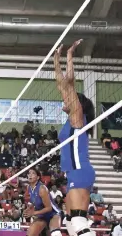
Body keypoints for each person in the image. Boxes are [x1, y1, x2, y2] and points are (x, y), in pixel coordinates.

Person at [54, 40, 96, 236]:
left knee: (78, 222)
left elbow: (67, 83)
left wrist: (68, 57)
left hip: (80, 170)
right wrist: (57, 58)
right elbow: (62, 84)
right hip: (73, 172)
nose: (65, 98)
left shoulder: (78, 118)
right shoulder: (71, 121)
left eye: (69, 99)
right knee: (71, 223)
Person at [24, 169, 62, 236]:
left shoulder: (42, 188)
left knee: (55, 233)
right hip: (42, 215)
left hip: (53, 214)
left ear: (38, 177)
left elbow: (49, 208)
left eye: (33, 173)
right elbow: (35, 201)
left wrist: (34, 213)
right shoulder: (29, 187)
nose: (30, 175)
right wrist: (29, 208)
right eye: (29, 173)